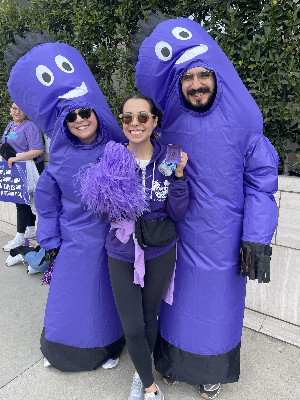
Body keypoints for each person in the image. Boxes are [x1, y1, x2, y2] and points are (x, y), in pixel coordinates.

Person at [130, 12, 279, 399]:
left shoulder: (245, 124)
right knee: (177, 304)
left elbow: (262, 184)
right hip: (178, 236)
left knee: (216, 308)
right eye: (187, 78)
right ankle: (175, 363)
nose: (196, 85)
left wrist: (257, 238)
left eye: (203, 76)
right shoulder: (170, 124)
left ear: (216, 78)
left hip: (225, 242)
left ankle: (213, 370)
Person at [4, 30, 125, 372]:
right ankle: (60, 347)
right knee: (69, 294)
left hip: (113, 241)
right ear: (63, 123)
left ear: (95, 112)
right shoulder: (58, 159)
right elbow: (47, 201)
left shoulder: (115, 148)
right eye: (71, 117)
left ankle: (111, 346)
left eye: (84, 112)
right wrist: (52, 239)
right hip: (75, 241)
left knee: (108, 296)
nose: (80, 119)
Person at [81, 92, 189, 400]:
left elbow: (178, 212)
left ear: (155, 121)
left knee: (149, 315)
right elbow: (101, 213)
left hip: (160, 247)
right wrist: (110, 195)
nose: (135, 124)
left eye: (143, 117)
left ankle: (141, 374)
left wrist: (179, 176)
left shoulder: (170, 155)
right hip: (122, 250)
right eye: (128, 118)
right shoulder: (113, 156)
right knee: (131, 323)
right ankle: (150, 387)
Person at [1, 103, 44, 253]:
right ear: (10, 110)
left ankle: (19, 237)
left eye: (20, 108)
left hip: (29, 167)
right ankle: (31, 230)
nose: (17, 111)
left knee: (23, 201)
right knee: (23, 200)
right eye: (13, 108)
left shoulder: (30, 126)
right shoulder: (10, 126)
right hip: (16, 166)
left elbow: (38, 150)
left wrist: (15, 159)